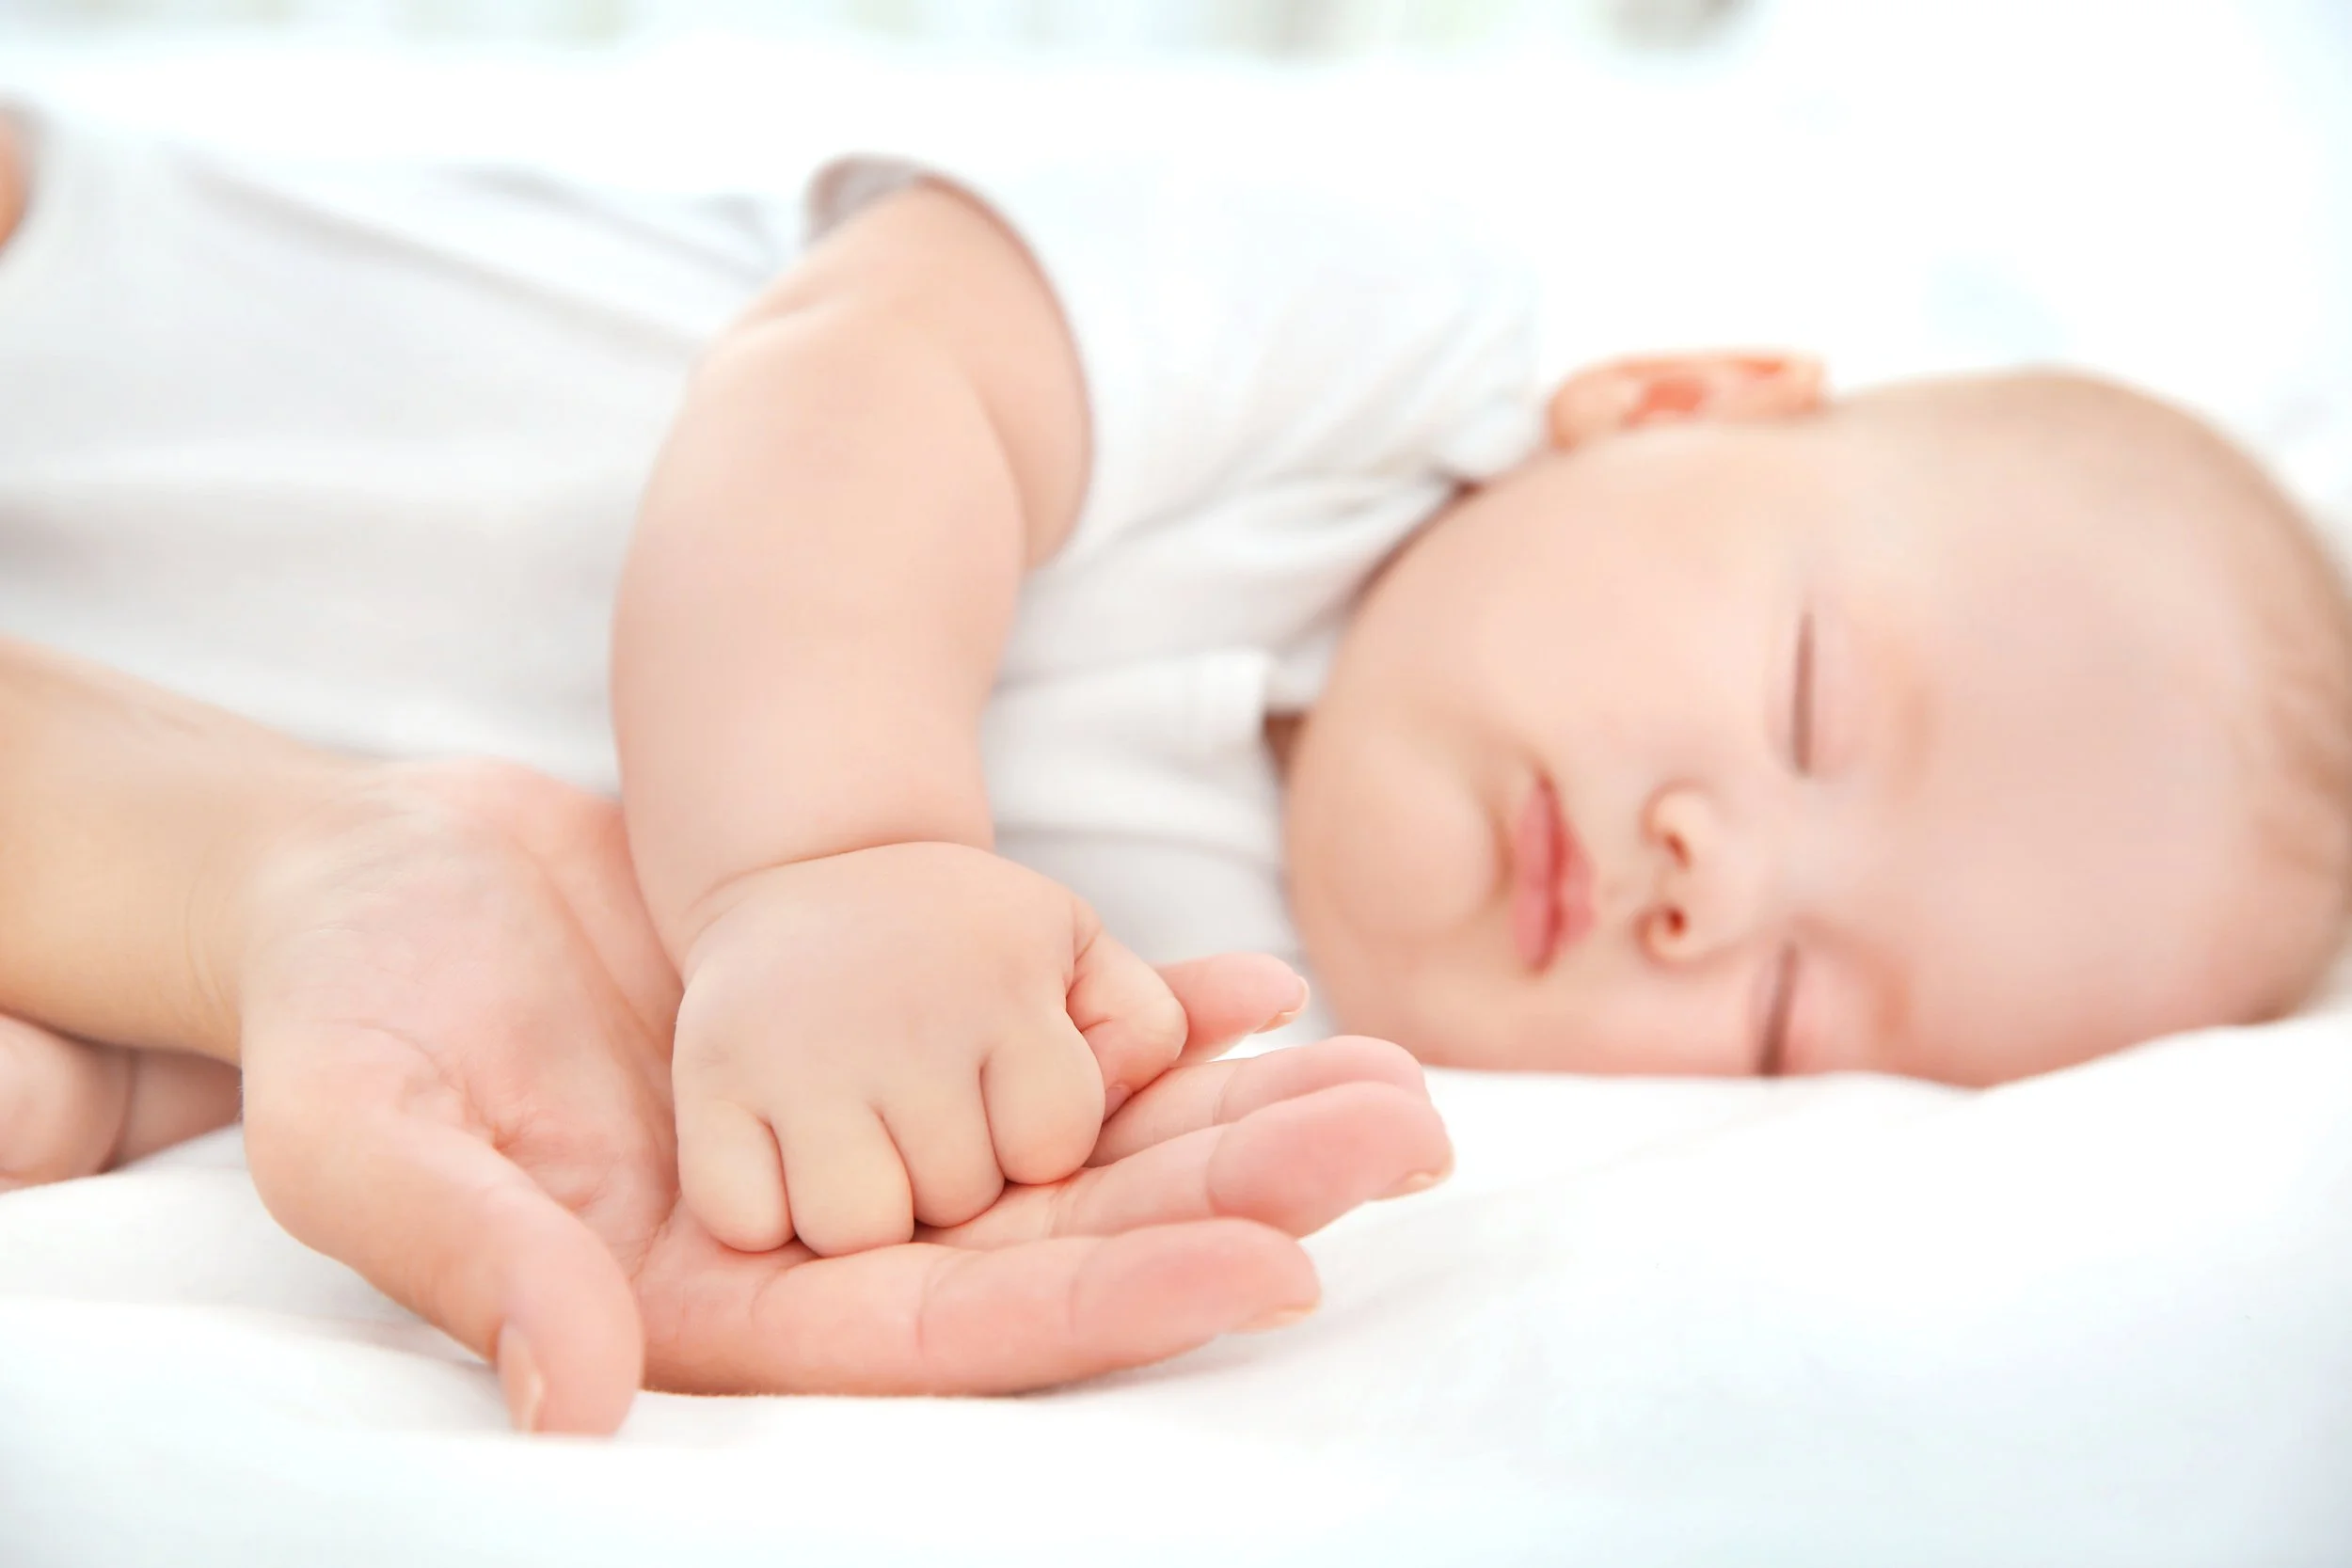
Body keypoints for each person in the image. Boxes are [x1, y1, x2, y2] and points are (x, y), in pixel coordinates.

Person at [3, 99, 2348, 1308]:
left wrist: (143, 1068)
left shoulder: (1249, 1053)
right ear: (1674, 402)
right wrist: (838, 861)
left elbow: (592, 1014)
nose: (1705, 874)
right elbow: (874, 372)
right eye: (1809, 697)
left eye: (1795, 1006)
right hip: (108, 315)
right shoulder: (1368, 344)